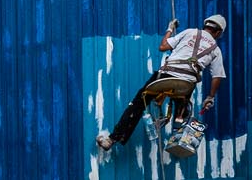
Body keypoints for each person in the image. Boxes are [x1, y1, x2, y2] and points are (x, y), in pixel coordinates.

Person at [96, 15, 227, 152]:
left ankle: (111, 140)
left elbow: (163, 47)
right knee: (184, 108)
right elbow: (217, 76)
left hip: (165, 77)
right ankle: (180, 138)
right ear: (218, 32)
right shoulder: (215, 49)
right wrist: (210, 97)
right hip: (186, 84)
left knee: (139, 104)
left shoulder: (189, 32)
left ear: (206, 25)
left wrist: (170, 29)